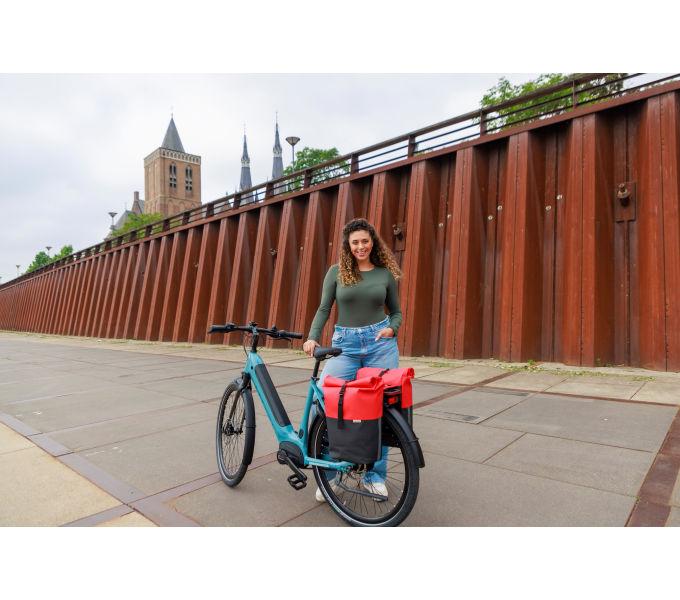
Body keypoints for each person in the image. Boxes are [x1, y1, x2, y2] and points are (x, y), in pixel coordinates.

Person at [303, 217, 403, 502]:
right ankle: (329, 475)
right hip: (344, 346)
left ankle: (374, 476)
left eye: (365, 241)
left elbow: (396, 312)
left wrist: (392, 329)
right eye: (355, 242)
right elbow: (324, 308)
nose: (361, 246)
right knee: (324, 401)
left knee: (382, 409)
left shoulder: (384, 274)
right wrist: (312, 337)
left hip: (379, 345)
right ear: (348, 245)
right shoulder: (336, 272)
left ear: (373, 243)